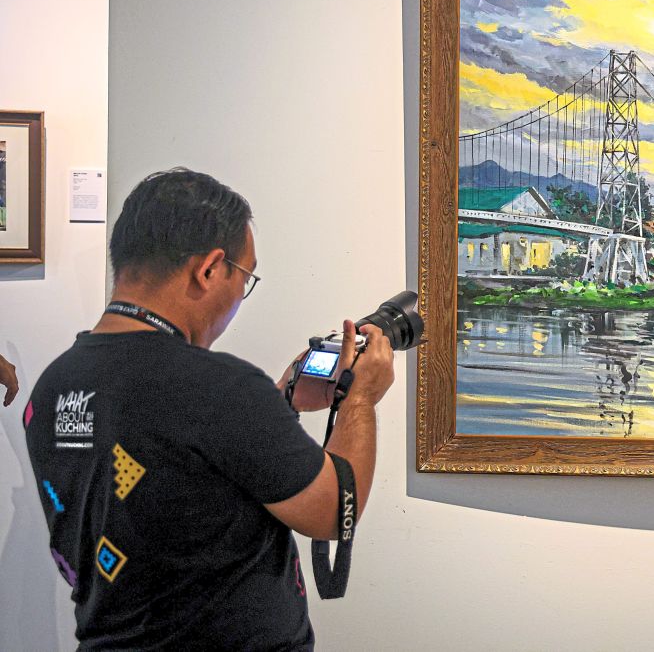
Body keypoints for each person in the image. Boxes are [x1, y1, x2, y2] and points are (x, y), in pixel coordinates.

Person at [24, 169, 394, 650]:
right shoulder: (219, 387)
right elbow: (334, 512)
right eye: (246, 277)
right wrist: (360, 399)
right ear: (211, 269)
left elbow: (176, 473)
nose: (240, 295)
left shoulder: (53, 384)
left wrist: (278, 400)